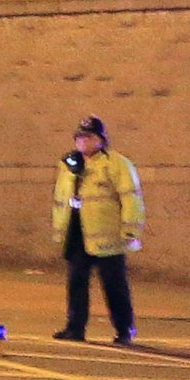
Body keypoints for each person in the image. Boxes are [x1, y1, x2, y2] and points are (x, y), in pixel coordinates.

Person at [51, 114, 144, 345]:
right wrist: (59, 229)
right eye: (79, 137)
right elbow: (61, 199)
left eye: (88, 136)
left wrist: (130, 230)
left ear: (101, 139)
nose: (83, 141)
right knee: (76, 283)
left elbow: (131, 199)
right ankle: (75, 328)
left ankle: (124, 329)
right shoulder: (69, 165)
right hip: (77, 233)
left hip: (108, 235)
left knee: (114, 285)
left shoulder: (116, 164)